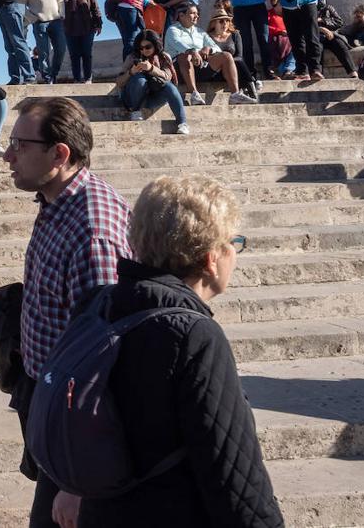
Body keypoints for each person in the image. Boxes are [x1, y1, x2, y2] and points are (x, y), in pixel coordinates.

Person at [68, 176, 284, 528]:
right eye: (235, 242)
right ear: (211, 258)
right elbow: (234, 475)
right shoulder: (195, 336)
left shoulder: (98, 305)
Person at [1, 96, 132, 528]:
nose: (7, 155)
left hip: (77, 428)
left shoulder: (94, 232)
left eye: (20, 144)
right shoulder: (57, 202)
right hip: (48, 397)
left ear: (60, 154)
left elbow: (107, 363)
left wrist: (80, 483)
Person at [164, 4, 257, 106]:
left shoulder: (200, 32)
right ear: (181, 16)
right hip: (179, 70)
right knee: (185, 56)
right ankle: (194, 94)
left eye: (197, 14)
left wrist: (208, 49)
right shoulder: (172, 30)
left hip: (199, 67)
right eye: (193, 13)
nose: (197, 16)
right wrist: (193, 51)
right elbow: (178, 44)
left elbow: (216, 47)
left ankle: (235, 94)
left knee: (226, 56)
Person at [115, 30, 189, 134]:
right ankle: (136, 111)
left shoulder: (163, 57)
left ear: (155, 44)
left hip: (153, 97)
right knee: (139, 79)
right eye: (141, 48)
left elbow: (168, 77)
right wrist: (131, 72)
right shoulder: (132, 57)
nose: (144, 50)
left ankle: (182, 123)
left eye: (148, 47)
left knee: (170, 87)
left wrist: (151, 69)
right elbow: (119, 82)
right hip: (132, 98)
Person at [26, 0, 66, 83]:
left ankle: (54, 74)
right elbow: (22, 5)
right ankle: (48, 78)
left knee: (61, 49)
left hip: (56, 21)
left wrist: (62, 14)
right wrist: (33, 18)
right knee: (43, 53)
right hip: (40, 24)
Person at [206, 12, 262, 100]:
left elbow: (239, 56)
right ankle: (252, 85)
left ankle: (253, 93)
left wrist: (229, 62)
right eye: (221, 21)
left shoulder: (235, 35)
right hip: (217, 71)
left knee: (238, 61)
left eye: (227, 21)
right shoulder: (207, 37)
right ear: (214, 23)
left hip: (234, 69)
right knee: (232, 60)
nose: (225, 24)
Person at [62, 0, 102, 82]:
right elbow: (58, 9)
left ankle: (88, 78)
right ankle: (77, 79)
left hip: (87, 27)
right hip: (70, 28)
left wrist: (99, 24)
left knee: (86, 54)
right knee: (74, 55)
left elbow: (95, 7)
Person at [317, 1, 358, 77]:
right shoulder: (305, 9)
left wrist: (323, 20)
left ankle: (352, 72)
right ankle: (318, 73)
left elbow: (339, 22)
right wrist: (320, 28)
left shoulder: (328, 8)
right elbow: (304, 26)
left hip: (330, 35)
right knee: (318, 47)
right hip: (316, 36)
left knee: (339, 43)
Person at [266, 0, 296, 78]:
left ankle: (288, 70)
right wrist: (279, 31)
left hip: (288, 39)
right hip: (275, 39)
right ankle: (286, 71)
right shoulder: (269, 14)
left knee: (296, 44)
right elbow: (266, 28)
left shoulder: (288, 14)